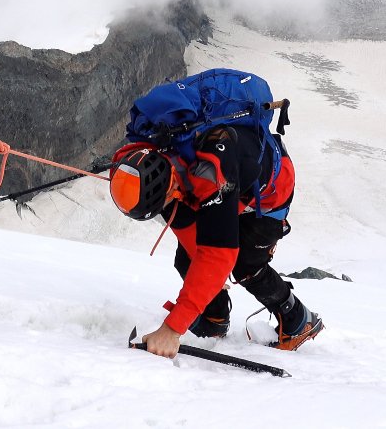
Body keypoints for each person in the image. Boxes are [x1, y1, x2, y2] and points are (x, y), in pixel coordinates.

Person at [109, 98, 324, 357]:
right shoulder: (141, 160)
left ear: (170, 187)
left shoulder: (211, 170)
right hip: (227, 183)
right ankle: (214, 320)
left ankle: (299, 320)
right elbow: (193, 238)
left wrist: (172, 329)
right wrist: (208, 276)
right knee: (188, 260)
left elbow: (219, 255)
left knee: (246, 264)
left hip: (268, 195)